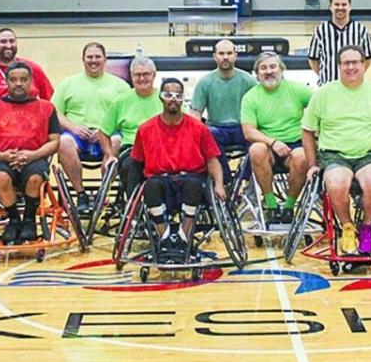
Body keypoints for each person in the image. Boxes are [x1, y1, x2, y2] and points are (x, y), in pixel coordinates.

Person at [302, 45, 371, 255]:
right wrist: (312, 165)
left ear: (364, 64)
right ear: (338, 66)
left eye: (355, 62)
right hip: (334, 155)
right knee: (337, 184)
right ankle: (347, 227)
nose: (351, 67)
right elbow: (308, 131)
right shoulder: (323, 93)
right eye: (346, 63)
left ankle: (366, 229)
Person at [130, 77, 225, 258]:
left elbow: (213, 160)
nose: (173, 99)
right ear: (161, 97)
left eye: (178, 95)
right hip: (160, 180)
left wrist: (219, 185)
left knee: (193, 183)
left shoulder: (199, 128)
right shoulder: (145, 129)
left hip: (190, 179)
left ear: (183, 99)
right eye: (168, 95)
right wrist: (131, 196)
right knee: (150, 186)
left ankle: (183, 237)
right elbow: (136, 163)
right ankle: (164, 237)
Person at [0, 61, 63, 245]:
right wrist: (0, 155)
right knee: (1, 177)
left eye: (23, 79)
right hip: (0, 157)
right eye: (14, 80)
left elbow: (55, 141)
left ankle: (29, 220)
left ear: (30, 81)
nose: (19, 83)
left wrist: (32, 155)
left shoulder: (47, 108)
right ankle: (13, 219)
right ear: (6, 82)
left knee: (34, 179)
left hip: (34, 157)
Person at [54, 42, 131, 211]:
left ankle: (102, 194)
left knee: (118, 141)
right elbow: (55, 112)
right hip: (77, 136)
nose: (93, 60)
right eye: (89, 57)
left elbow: (128, 114)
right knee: (62, 142)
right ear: (83, 60)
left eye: (98, 57)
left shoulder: (121, 86)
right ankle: (80, 194)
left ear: (105, 60)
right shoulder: (68, 83)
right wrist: (74, 128)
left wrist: (106, 130)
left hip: (108, 135)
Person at [240, 51, 312, 224]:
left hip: (294, 146)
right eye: (263, 68)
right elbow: (249, 132)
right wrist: (273, 142)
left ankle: (289, 207)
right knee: (256, 149)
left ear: (281, 70)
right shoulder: (251, 97)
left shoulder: (298, 90)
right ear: (257, 74)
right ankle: (271, 205)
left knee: (303, 155)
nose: (269, 71)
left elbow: (321, 108)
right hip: (268, 147)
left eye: (273, 67)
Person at [190, 38, 256, 177]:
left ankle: (244, 179)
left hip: (243, 127)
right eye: (221, 53)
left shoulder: (248, 80)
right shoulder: (205, 82)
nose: (225, 57)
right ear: (215, 56)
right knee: (208, 135)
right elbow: (195, 113)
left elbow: (259, 107)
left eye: (229, 53)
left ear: (235, 56)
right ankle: (225, 179)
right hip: (217, 129)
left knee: (258, 144)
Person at [100, 56, 162, 197]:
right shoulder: (121, 101)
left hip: (162, 149)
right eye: (137, 75)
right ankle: (132, 204)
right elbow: (104, 132)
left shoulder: (165, 98)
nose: (141, 78)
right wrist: (109, 155)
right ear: (131, 76)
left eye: (146, 74)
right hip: (132, 150)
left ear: (154, 75)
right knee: (131, 166)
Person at [0, 27, 54, 108]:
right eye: (3, 41)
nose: (8, 45)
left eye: (12, 41)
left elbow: (51, 101)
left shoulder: (33, 68)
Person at [306, 0, 371, 85]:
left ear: (350, 6)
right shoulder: (320, 31)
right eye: (336, 4)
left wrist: (354, 75)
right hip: (327, 87)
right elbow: (313, 60)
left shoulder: (361, 30)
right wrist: (325, 76)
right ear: (330, 6)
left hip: (352, 86)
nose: (340, 7)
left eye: (344, 4)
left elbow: (367, 59)